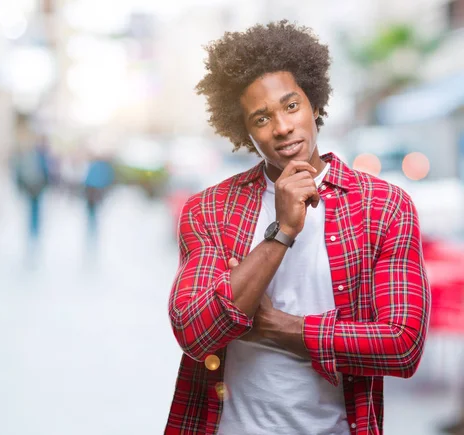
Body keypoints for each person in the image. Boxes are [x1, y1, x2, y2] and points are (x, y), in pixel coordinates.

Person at [166, 21, 430, 435]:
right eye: (261, 118)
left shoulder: (384, 206)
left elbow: (402, 345)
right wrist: (283, 231)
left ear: (315, 104)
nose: (283, 127)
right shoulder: (209, 209)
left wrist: (282, 327)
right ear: (244, 133)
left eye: (291, 106)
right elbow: (194, 332)